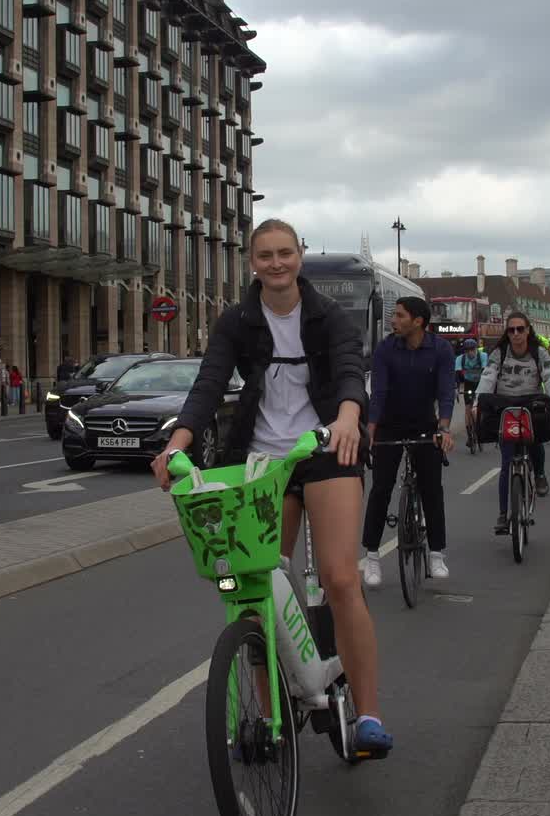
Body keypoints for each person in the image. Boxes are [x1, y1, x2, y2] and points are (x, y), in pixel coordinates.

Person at [155, 219, 390, 759]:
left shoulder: (327, 316)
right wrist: (178, 444)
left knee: (340, 577)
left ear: (299, 257)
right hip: (261, 463)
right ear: (252, 262)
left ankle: (370, 713)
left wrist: (350, 417)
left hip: (327, 450)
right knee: (256, 588)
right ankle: (268, 716)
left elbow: (351, 371)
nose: (277, 263)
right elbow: (209, 384)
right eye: (266, 255)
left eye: (285, 253)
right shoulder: (238, 320)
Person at [361, 296, 455, 583]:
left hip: (425, 425)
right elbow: (378, 393)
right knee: (381, 488)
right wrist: (371, 430)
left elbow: (446, 392)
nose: (393, 320)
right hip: (390, 425)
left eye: (400, 316)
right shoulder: (385, 349)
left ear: (418, 321)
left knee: (431, 488)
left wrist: (444, 428)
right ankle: (372, 557)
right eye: (394, 315)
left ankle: (437, 554)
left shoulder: (440, 349)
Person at [472, 310, 550, 535]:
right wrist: (477, 403)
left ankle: (539, 474)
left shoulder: (538, 353)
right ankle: (504, 515)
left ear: (528, 330)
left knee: (535, 441)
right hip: (505, 406)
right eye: (511, 330)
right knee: (506, 462)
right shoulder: (499, 353)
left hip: (531, 403)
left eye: (520, 329)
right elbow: (488, 378)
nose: (515, 334)